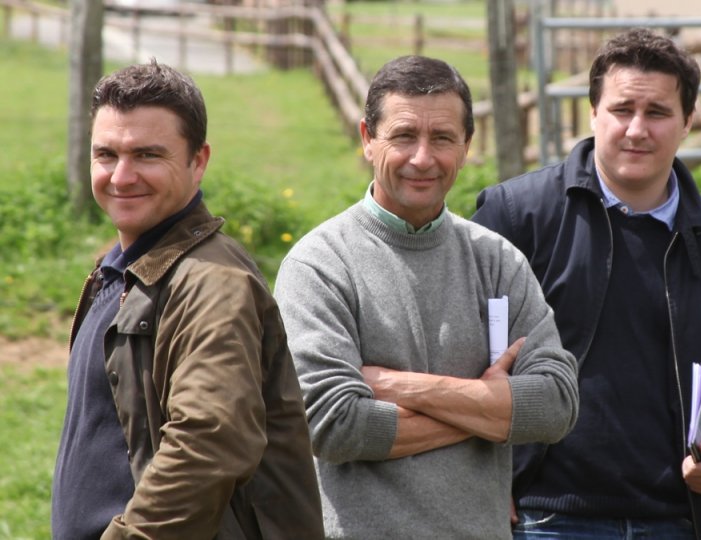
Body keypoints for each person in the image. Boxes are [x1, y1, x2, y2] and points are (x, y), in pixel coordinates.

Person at [472, 28, 701, 540]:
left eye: (657, 112)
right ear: (593, 113)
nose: (636, 129)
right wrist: (486, 473)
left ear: (688, 121)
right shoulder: (516, 218)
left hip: (677, 519)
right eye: (622, 109)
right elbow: (456, 351)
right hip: (542, 516)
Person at [272, 55, 579, 539]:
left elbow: (557, 404)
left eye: (441, 138)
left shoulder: (497, 260)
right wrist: (490, 408)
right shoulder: (320, 265)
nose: (422, 158)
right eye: (403, 136)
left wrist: (396, 386)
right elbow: (332, 424)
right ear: (367, 139)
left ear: (466, 146)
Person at [51, 60, 323, 539]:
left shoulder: (212, 283)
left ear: (198, 162)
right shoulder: (125, 267)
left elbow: (209, 443)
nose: (122, 176)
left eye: (147, 155)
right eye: (107, 154)